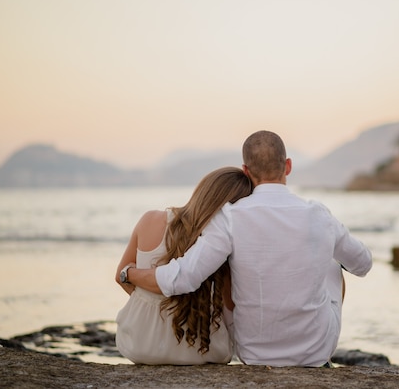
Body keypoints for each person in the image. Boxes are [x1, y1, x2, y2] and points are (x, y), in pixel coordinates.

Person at [125, 130, 372, 367]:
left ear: (246, 170)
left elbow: (184, 277)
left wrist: (131, 273)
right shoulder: (319, 214)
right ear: (287, 166)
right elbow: (362, 264)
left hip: (253, 352)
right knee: (332, 263)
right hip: (314, 352)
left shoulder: (230, 218)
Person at [114, 166, 252, 365]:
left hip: (140, 343)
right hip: (201, 349)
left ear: (203, 191)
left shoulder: (150, 220)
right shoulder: (223, 244)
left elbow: (121, 276)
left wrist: (160, 309)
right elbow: (229, 307)